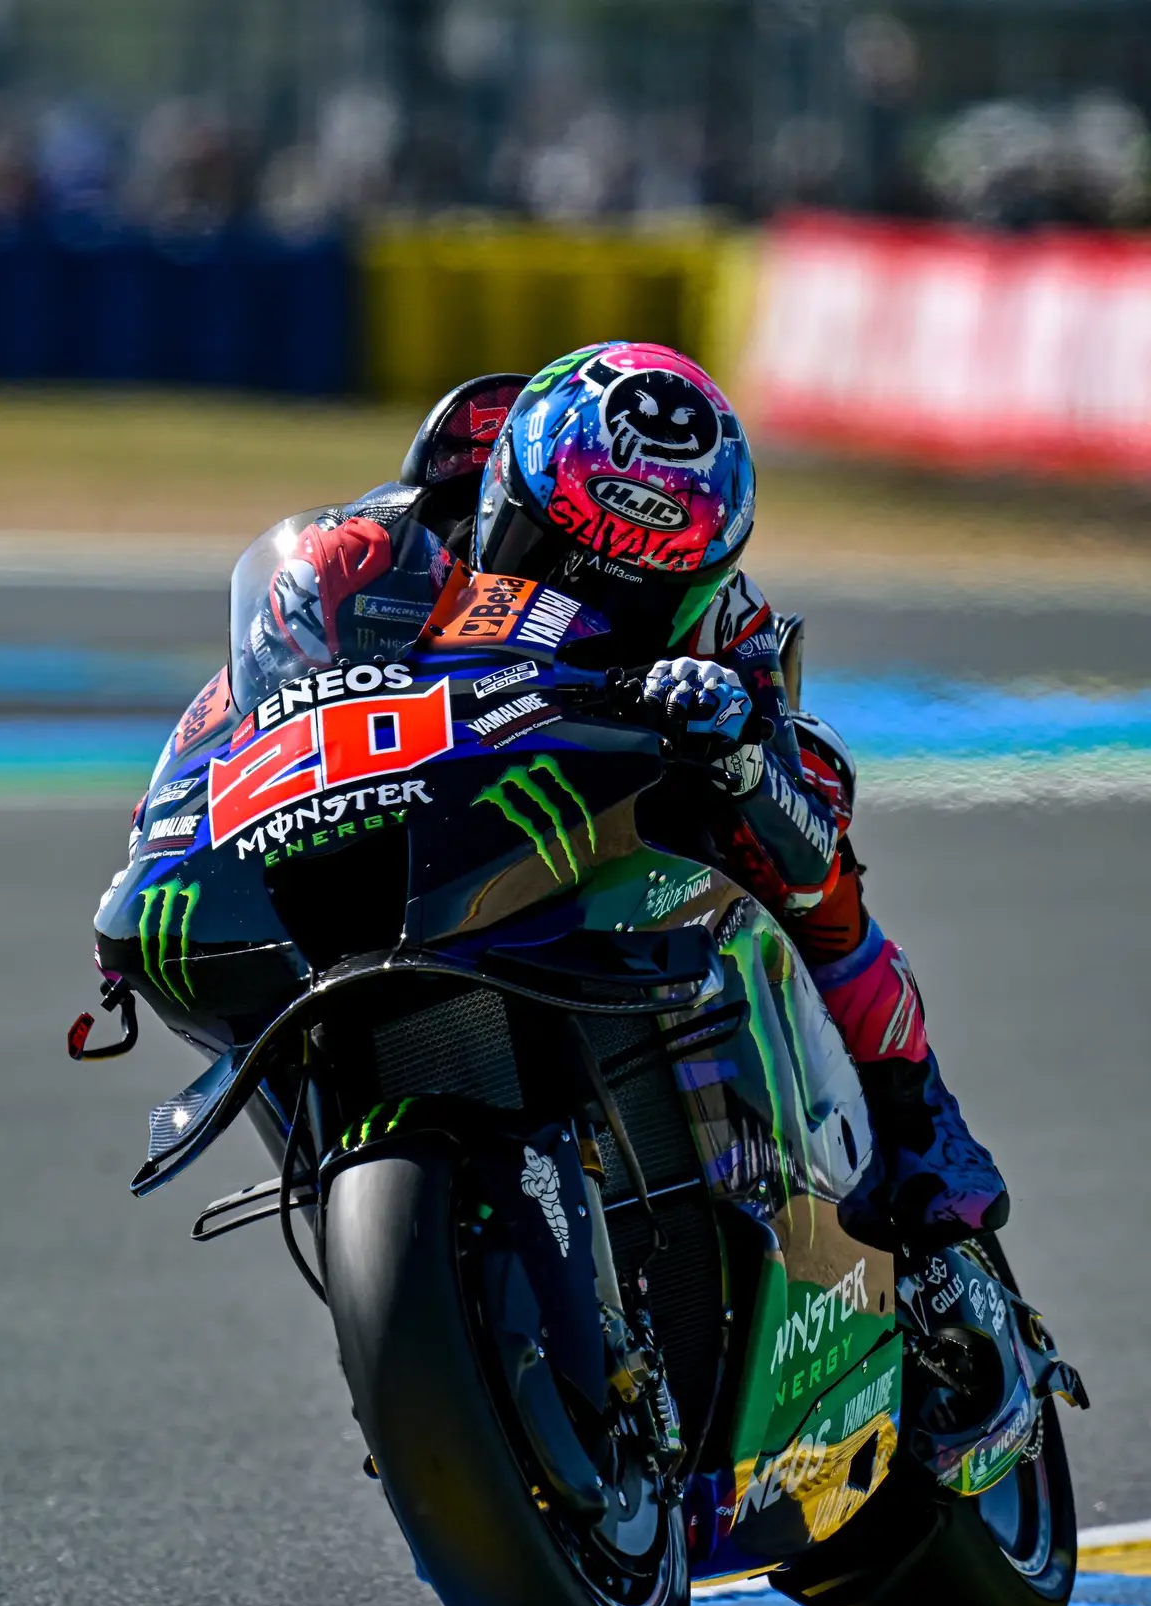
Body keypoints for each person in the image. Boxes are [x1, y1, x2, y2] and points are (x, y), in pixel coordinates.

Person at [239, 346, 1007, 1252]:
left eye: (635, 594)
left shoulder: (728, 620)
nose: (583, 598)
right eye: (559, 562)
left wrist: (735, 753)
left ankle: (918, 1114)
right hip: (424, 794)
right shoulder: (377, 545)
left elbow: (797, 823)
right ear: (506, 496)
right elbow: (248, 698)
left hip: (616, 808)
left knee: (812, 832)